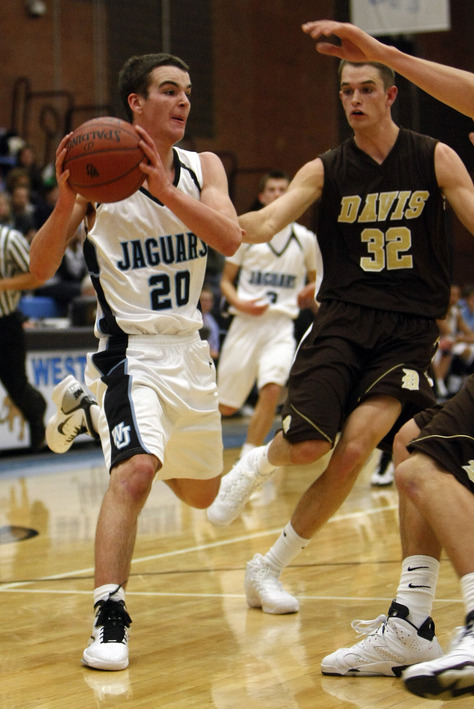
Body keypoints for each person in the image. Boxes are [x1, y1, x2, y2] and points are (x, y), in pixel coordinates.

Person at [205, 44, 474, 628]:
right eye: (345, 91)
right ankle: (261, 461)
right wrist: (198, 214)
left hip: (409, 331)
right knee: (312, 447)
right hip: (342, 321)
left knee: (360, 447)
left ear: (390, 95)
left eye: (366, 89)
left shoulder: (435, 158)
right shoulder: (326, 167)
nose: (355, 99)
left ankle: (268, 566)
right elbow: (264, 222)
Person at [299, 18, 474, 699]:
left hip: (415, 327)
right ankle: (414, 619)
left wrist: (383, 53)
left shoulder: (451, 144)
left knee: (424, 464)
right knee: (418, 449)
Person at [30, 51, 241, 671]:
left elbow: (229, 238)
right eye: (169, 90)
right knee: (136, 473)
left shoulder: (203, 168)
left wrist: (168, 192)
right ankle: (109, 618)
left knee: (203, 496)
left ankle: (89, 415)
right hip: (130, 353)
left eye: (189, 91)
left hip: (191, 352)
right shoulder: (95, 173)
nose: (183, 102)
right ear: (135, 104)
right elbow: (40, 269)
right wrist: (65, 198)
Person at [214, 170, 316, 464]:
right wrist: (242, 305)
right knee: (226, 406)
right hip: (246, 324)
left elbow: (315, 280)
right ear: (262, 196)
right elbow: (225, 282)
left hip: (281, 326)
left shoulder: (305, 239)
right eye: (271, 189)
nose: (277, 195)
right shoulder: (247, 231)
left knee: (272, 388)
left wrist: (308, 291)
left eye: (283, 189)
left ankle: (248, 461)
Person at [0, 223, 47, 451]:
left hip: (5, 325)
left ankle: (37, 412)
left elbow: (37, 276)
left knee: (17, 387)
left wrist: (3, 285)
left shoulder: (9, 239)